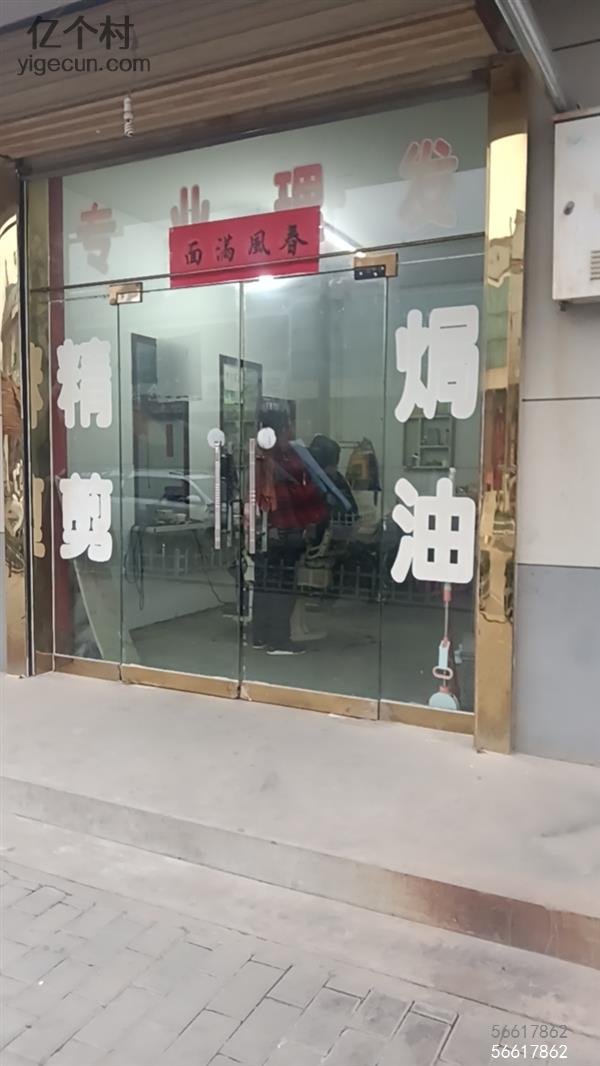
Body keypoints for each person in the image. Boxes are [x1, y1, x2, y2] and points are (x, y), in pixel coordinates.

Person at [253, 411, 328, 655]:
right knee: (282, 586)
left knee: (264, 584)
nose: (292, 433)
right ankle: (278, 640)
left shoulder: (258, 456)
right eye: (289, 428)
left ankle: (259, 635)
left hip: (264, 531)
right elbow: (296, 494)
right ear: (280, 431)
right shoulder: (282, 461)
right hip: (282, 529)